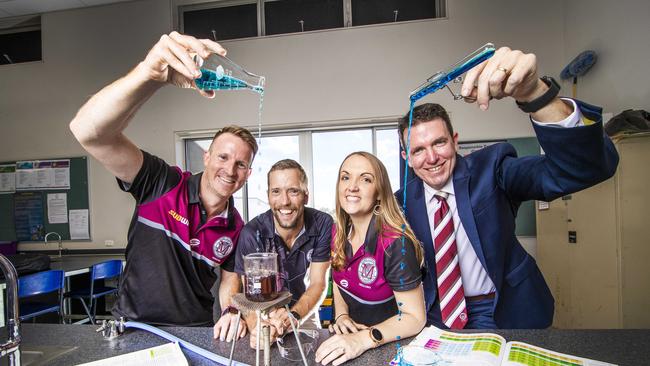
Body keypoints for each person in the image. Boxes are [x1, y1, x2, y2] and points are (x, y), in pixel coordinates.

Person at [396, 46, 619, 329]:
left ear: (454, 140)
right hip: (438, 318)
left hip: (505, 310)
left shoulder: (493, 168)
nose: (431, 158)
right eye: (418, 150)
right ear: (406, 157)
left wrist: (536, 95)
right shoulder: (400, 202)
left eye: (439, 143)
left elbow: (584, 169)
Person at [69, 32, 254, 340]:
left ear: (248, 174)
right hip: (131, 329)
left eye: (241, 164)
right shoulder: (162, 182)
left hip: (194, 333)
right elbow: (88, 132)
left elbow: (228, 281)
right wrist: (148, 75)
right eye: (223, 156)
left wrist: (232, 311)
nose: (230, 169)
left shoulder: (237, 228)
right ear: (207, 157)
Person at [315, 152, 426, 366]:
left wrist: (363, 339)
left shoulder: (396, 244)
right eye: (345, 177)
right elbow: (339, 281)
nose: (352, 186)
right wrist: (342, 317)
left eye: (365, 179)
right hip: (352, 347)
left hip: (392, 349)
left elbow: (415, 318)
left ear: (378, 192)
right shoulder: (336, 233)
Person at [228, 159, 333, 348]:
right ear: (268, 196)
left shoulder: (323, 223)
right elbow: (248, 294)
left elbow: (318, 283)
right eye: (276, 191)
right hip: (263, 311)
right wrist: (256, 326)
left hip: (303, 310)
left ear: (306, 195)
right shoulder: (252, 233)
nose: (284, 201)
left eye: (293, 191)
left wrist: (292, 316)